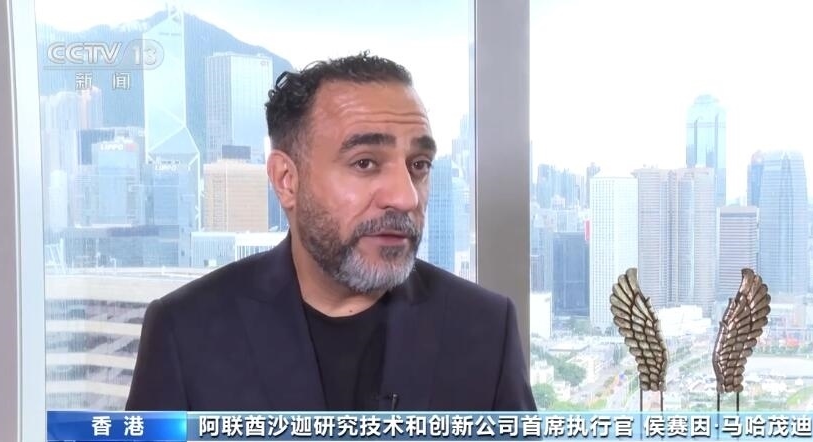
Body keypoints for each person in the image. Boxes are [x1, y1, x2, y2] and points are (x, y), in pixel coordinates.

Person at [125, 52, 537, 412]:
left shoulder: (485, 327)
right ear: (287, 180)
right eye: (365, 163)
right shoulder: (186, 330)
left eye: (419, 165)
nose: (405, 197)